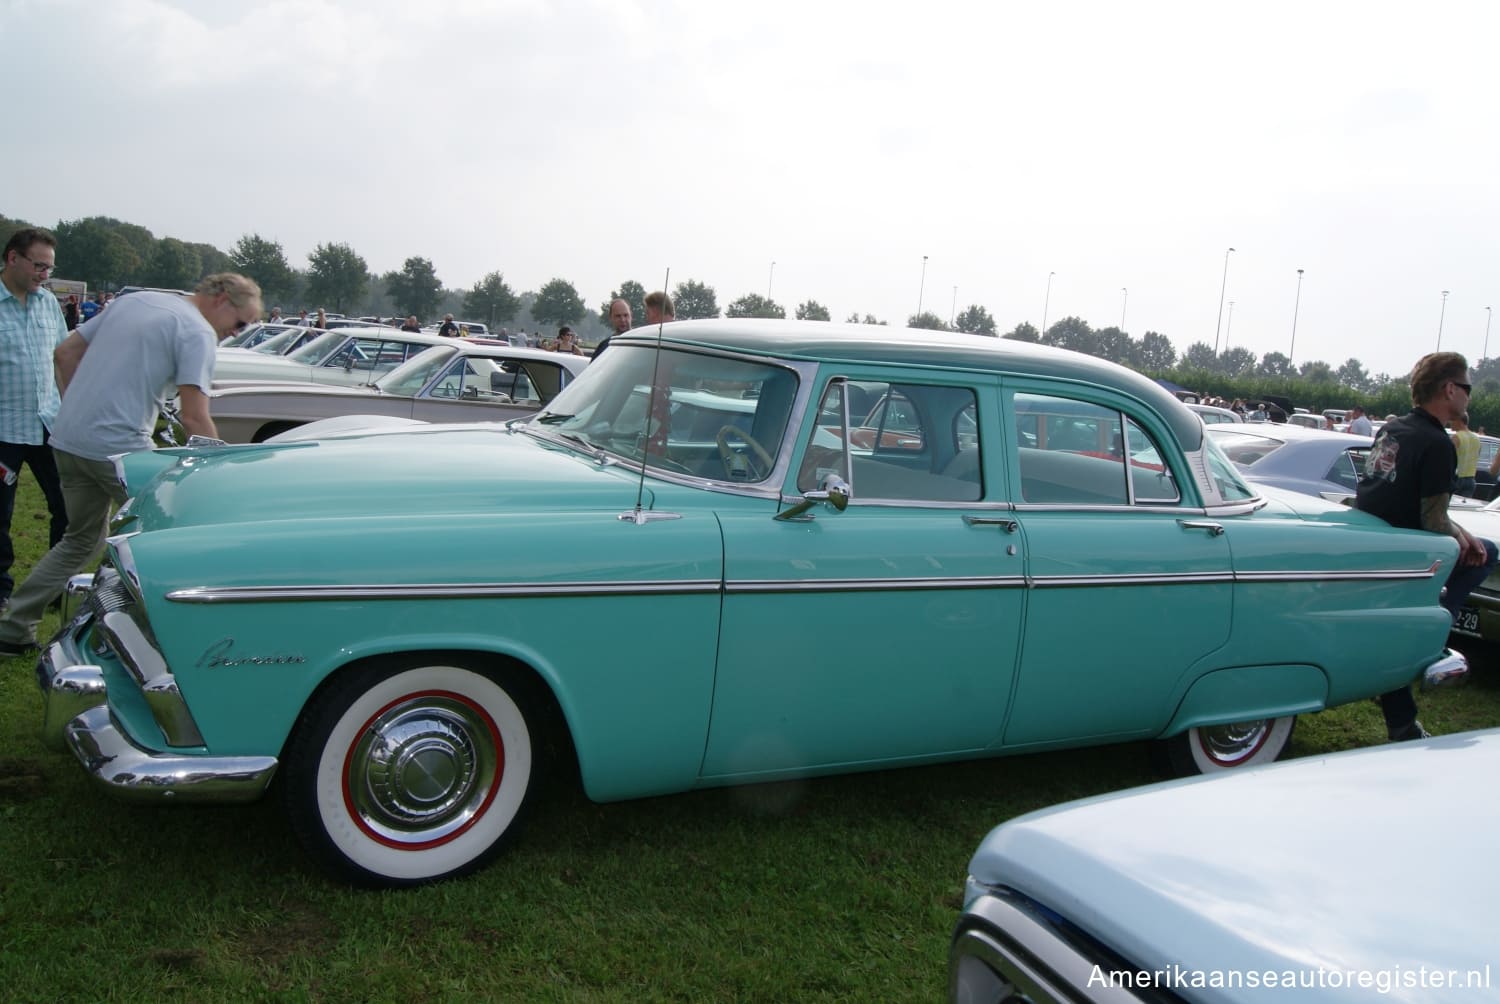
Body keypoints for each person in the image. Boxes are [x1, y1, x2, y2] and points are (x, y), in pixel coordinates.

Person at [0, 273, 262, 655]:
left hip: (69, 439)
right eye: (241, 323)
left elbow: (65, 354)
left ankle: (14, 627)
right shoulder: (197, 332)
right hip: (120, 451)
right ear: (222, 299)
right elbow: (194, 418)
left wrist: (79, 409)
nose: (237, 333)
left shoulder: (135, 301)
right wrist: (218, 470)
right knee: (169, 538)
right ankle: (162, 636)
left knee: (79, 540)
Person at [1354, 352, 1498, 741]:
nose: (1469, 396)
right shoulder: (1437, 443)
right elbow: (1433, 520)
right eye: (1466, 387)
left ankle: (1402, 723)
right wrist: (1465, 540)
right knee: (1488, 554)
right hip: (1408, 552)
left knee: (1475, 545)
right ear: (1449, 389)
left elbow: (1400, 498)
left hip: (1371, 539)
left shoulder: (1394, 428)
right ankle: (1434, 635)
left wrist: (1462, 533)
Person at [0, 228, 70, 614]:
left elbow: (62, 357)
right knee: (0, 515)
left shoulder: (48, 304)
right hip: (3, 431)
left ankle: (54, 589)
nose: (45, 274)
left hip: (49, 425)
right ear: (13, 258)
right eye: (39, 265)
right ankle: (2, 592)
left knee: (66, 509)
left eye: (50, 268)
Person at [1450, 412, 1480, 497]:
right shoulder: (1476, 438)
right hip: (1471, 479)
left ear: (1459, 421)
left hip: (1457, 478)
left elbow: (1449, 459)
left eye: (1452, 420)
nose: (1450, 422)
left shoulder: (1456, 437)